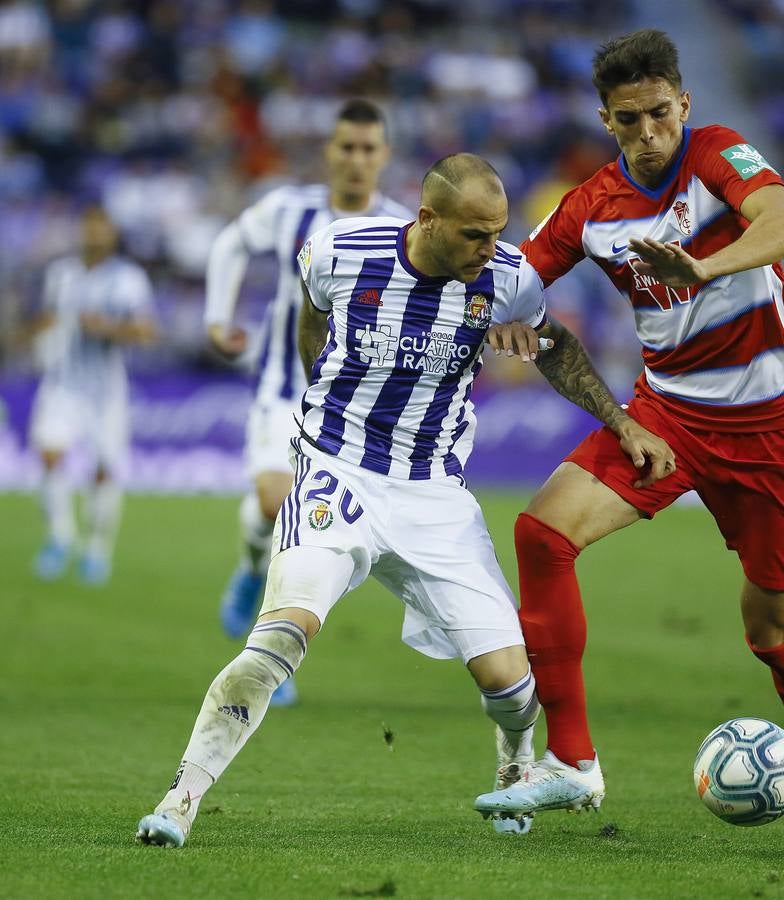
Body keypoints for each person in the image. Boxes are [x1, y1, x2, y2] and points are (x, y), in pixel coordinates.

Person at [136, 153, 672, 847]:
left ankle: (514, 765)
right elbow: (312, 316)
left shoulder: (506, 278)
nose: (491, 250)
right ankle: (179, 800)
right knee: (281, 636)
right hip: (339, 473)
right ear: (427, 219)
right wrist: (313, 401)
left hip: (433, 496)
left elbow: (556, 348)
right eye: (474, 235)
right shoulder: (339, 251)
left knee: (511, 683)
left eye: (497, 233)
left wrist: (622, 422)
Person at [473, 28, 784, 834]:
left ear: (683, 103)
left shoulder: (717, 154)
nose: (647, 136)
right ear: (604, 120)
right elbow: (516, 276)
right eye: (626, 121)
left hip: (773, 424)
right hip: (668, 415)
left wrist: (703, 266)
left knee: (772, 634)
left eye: (657, 115)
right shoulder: (591, 205)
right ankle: (573, 766)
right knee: (542, 533)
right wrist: (496, 315)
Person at [204, 99, 412, 706]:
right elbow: (228, 245)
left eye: (368, 149)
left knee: (313, 528)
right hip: (280, 386)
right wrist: (218, 319)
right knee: (275, 503)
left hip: (349, 400)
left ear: (384, 155)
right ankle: (250, 576)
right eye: (346, 147)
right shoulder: (290, 209)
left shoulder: (403, 225)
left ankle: (268, 647)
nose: (356, 159)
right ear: (330, 150)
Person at [28, 205, 156, 585]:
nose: (94, 234)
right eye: (88, 226)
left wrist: (107, 327)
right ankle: (60, 537)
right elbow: (48, 318)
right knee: (50, 454)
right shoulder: (61, 274)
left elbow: (145, 332)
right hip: (62, 383)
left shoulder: (129, 279)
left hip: (105, 391)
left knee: (103, 471)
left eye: (101, 228)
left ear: (112, 233)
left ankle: (97, 551)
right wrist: (34, 334)